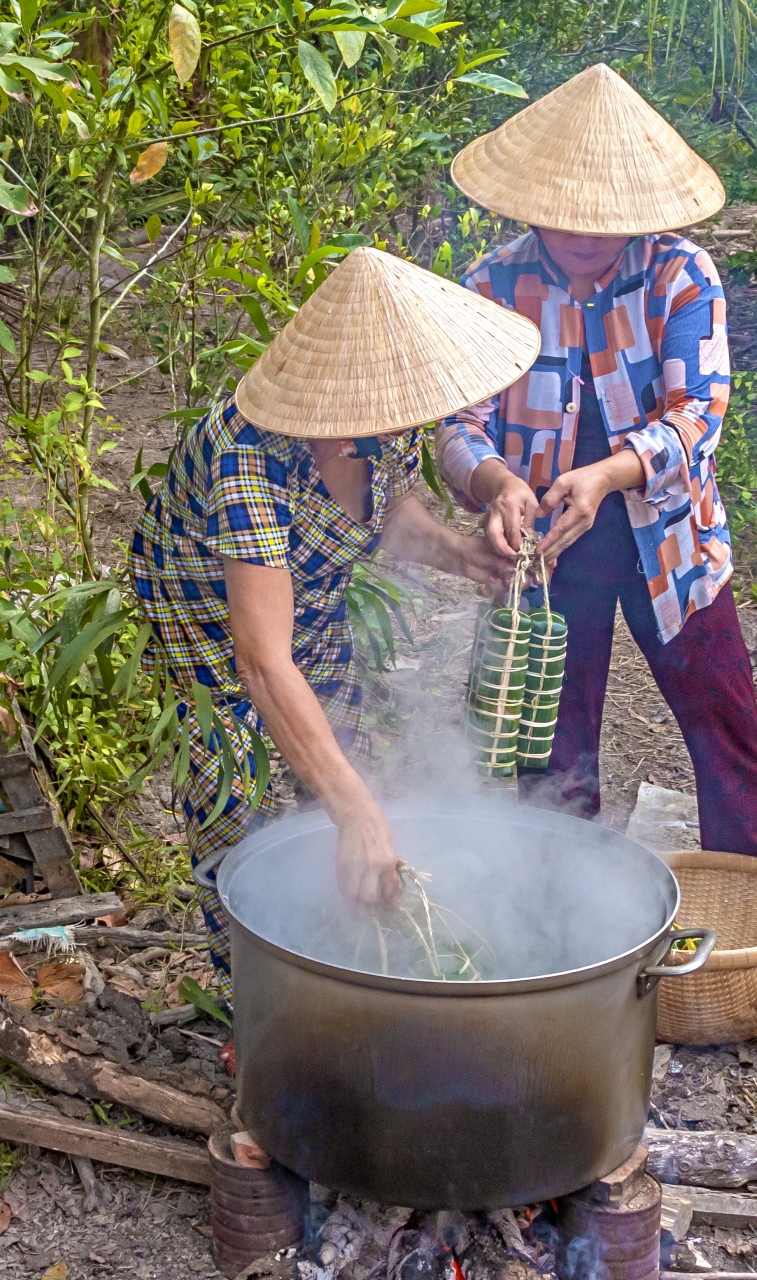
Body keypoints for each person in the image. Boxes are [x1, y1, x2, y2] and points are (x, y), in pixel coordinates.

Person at [131, 246, 543, 977]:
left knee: (354, 773)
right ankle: (257, 1003)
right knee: (241, 813)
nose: (404, 427)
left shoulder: (385, 423)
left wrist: (461, 555)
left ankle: (354, 960)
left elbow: (385, 511)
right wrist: (355, 811)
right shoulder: (247, 459)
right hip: (212, 645)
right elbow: (262, 659)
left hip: (312, 621)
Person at [437, 63, 757, 862]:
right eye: (565, 217)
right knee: (553, 753)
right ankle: (560, 916)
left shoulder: (679, 274)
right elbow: (459, 425)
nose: (584, 234)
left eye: (605, 218)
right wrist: (497, 483)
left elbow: (699, 414)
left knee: (724, 732)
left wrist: (606, 474)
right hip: (550, 548)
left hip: (671, 538)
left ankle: (756, 903)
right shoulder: (493, 283)